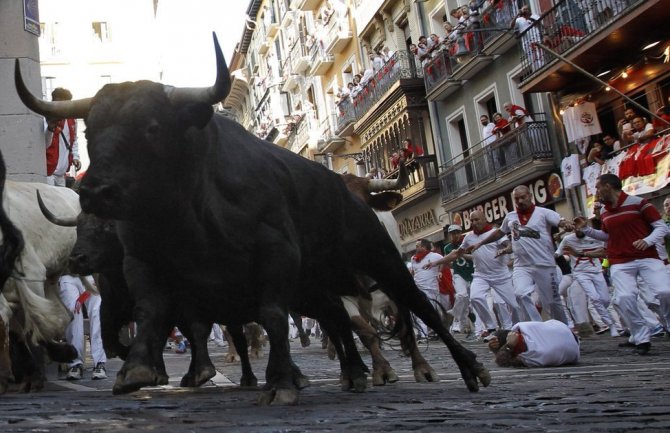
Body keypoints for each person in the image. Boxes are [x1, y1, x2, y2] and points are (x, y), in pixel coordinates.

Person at [575, 173, 670, 355]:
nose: (596, 191)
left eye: (597, 187)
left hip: (647, 257)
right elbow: (607, 236)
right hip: (620, 261)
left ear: (608, 186)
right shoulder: (604, 212)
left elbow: (661, 228)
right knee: (625, 298)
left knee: (665, 291)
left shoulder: (639, 203)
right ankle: (642, 338)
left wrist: (647, 241)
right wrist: (586, 230)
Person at [470, 185, 574, 324]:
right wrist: (481, 243)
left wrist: (566, 224)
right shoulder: (510, 217)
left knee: (552, 302)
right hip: (522, 265)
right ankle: (536, 327)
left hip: (544, 264)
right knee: (520, 294)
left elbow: (561, 221)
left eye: (523, 197)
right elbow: (500, 232)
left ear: (530, 196)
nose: (519, 201)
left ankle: (565, 330)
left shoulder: (543, 213)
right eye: (516, 199)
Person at [426, 210, 521, 334]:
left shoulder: (495, 233)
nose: (474, 222)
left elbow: (509, 245)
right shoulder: (469, 237)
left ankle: (517, 328)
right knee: (475, 297)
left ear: (485, 219)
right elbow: (456, 254)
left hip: (500, 275)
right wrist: (435, 263)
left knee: (514, 305)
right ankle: (491, 327)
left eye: (477, 219)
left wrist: (505, 250)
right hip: (480, 275)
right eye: (472, 220)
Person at [556, 227, 619, 337]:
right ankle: (611, 325)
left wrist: (586, 254)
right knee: (594, 298)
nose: (578, 231)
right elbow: (557, 253)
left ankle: (612, 323)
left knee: (605, 300)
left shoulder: (595, 237)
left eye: (581, 228)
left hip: (597, 272)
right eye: (576, 228)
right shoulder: (568, 239)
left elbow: (605, 252)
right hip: (580, 273)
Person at [59, 275, 107, 380]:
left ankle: (100, 362)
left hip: (92, 274)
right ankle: (75, 363)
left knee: (97, 313)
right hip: (68, 274)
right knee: (72, 313)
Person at [487, 320, 580, 367]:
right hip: (563, 329)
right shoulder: (522, 327)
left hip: (572, 346)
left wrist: (508, 346)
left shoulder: (532, 355)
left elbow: (502, 361)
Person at [441, 224, 476, 337]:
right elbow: (448, 261)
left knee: (467, 301)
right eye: (452, 233)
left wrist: (462, 255)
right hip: (458, 274)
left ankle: (465, 325)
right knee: (461, 295)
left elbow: (474, 257)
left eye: (457, 232)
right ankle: (456, 322)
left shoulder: (468, 243)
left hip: (472, 274)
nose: (455, 235)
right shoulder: (447, 247)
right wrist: (442, 270)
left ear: (461, 233)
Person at [408, 239, 444, 339]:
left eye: (417, 246)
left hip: (431, 289)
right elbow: (414, 272)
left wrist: (440, 271)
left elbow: (444, 261)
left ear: (424, 247)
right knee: (419, 310)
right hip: (418, 288)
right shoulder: (413, 258)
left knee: (434, 311)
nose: (416, 248)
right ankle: (424, 334)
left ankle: (437, 331)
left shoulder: (435, 256)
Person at [45, 87, 81, 186]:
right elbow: (44, 144)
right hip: (48, 174)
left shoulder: (72, 120)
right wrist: (50, 129)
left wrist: (75, 156)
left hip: (62, 174)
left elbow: (73, 140)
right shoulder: (45, 119)